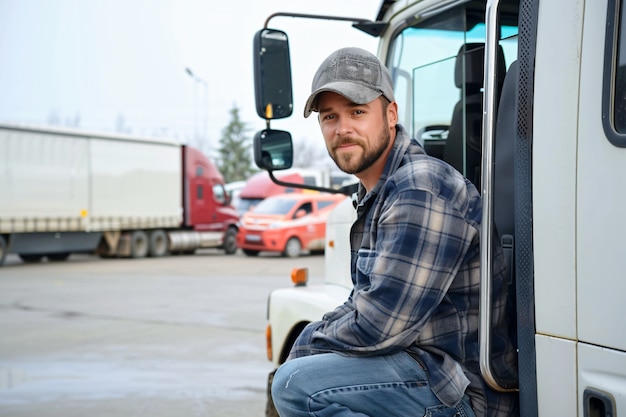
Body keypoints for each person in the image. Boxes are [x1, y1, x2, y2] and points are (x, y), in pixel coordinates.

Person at [270, 47, 518, 417]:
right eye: (329, 117)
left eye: (357, 112)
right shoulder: (377, 194)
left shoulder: (419, 187)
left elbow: (378, 326)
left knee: (295, 386)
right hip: (416, 369)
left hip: (459, 390)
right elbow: (361, 303)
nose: (342, 129)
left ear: (390, 115)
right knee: (295, 377)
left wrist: (303, 345)